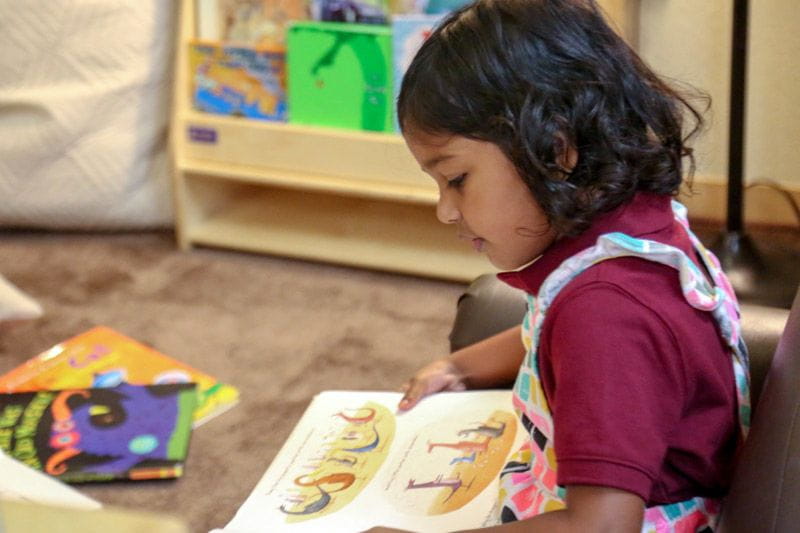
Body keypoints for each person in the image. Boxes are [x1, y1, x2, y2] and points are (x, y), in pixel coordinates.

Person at [369, 0, 751, 531]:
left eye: (456, 179)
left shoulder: (607, 315)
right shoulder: (639, 234)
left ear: (555, 150)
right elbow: (552, 335)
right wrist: (461, 365)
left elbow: (601, 526)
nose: (445, 210)